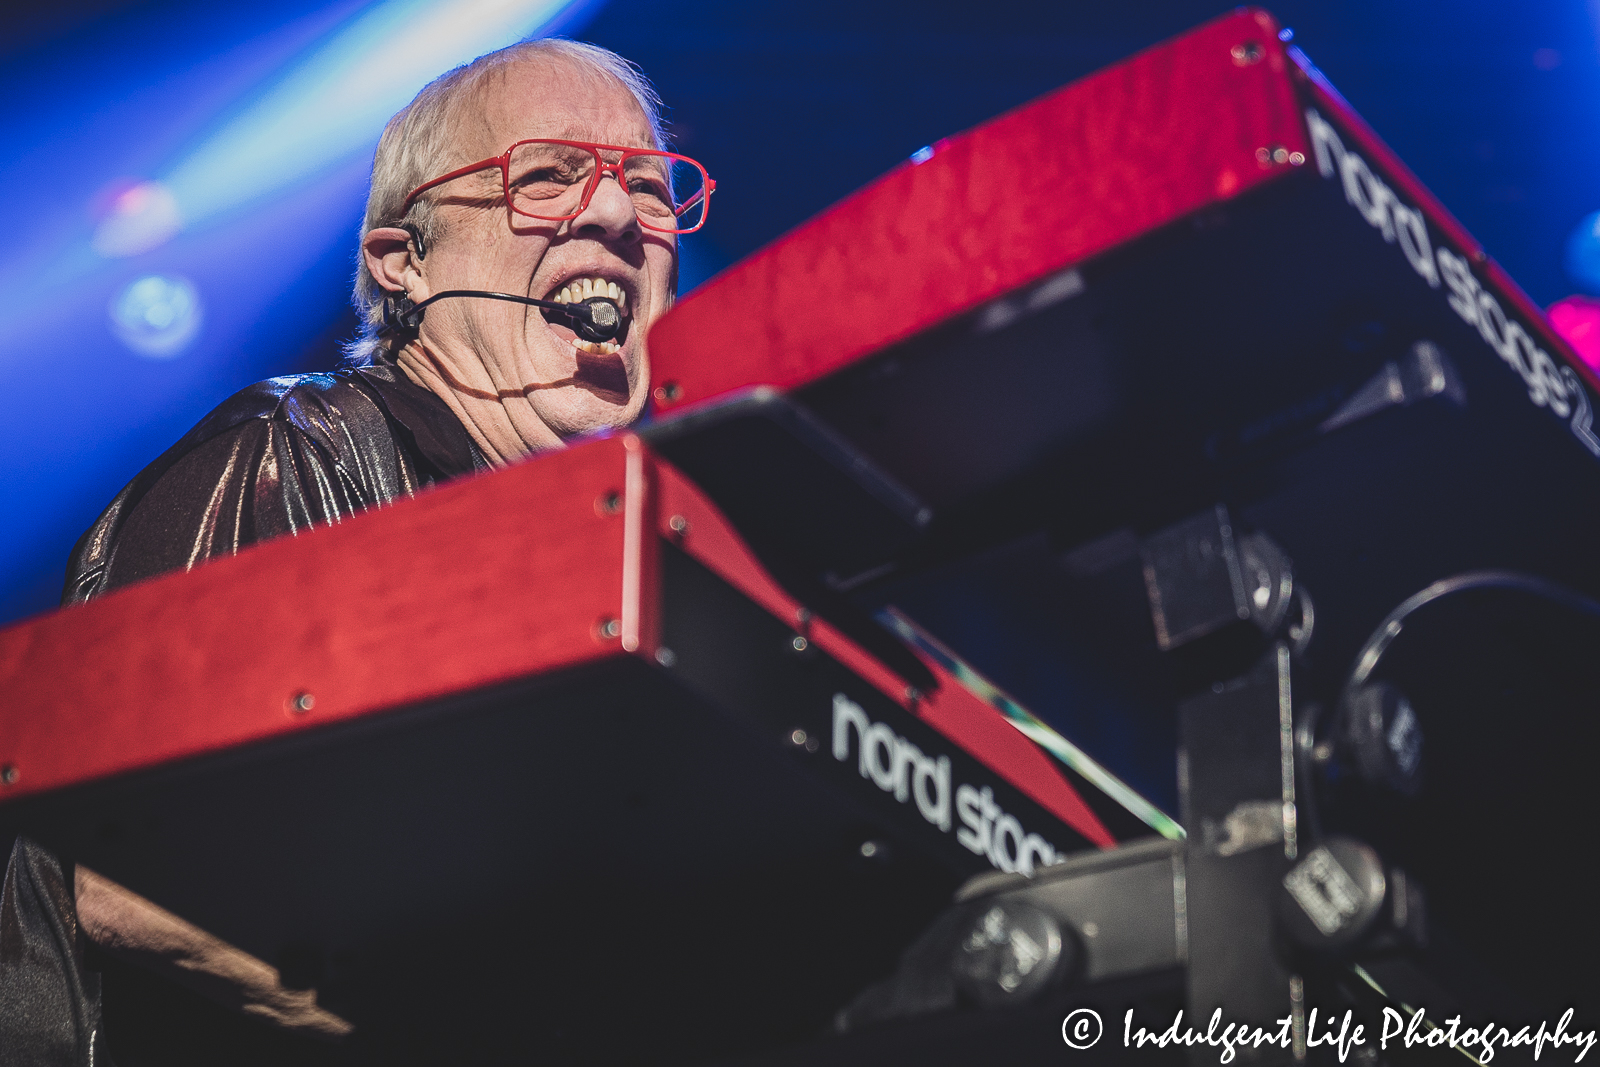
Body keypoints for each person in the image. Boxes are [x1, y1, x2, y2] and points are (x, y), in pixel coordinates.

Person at [3, 36, 709, 1063]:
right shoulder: (301, 452)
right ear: (404, 262)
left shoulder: (636, 553)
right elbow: (136, 879)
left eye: (647, 188)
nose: (610, 215)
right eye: (546, 176)